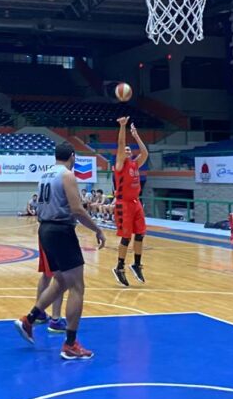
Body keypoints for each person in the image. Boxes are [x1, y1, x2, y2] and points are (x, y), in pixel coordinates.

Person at [14, 141, 106, 360]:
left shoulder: (45, 175)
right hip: (61, 230)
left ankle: (29, 319)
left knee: (60, 281)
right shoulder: (67, 175)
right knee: (77, 287)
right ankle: (71, 344)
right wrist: (97, 229)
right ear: (72, 156)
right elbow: (77, 209)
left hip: (45, 230)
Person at [112, 116, 149, 287]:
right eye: (124, 150)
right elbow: (120, 146)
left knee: (140, 233)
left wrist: (135, 135)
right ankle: (119, 267)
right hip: (123, 204)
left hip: (135, 203)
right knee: (126, 237)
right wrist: (122, 127)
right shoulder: (120, 166)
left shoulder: (134, 164)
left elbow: (145, 153)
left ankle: (136, 263)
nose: (126, 151)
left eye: (129, 150)